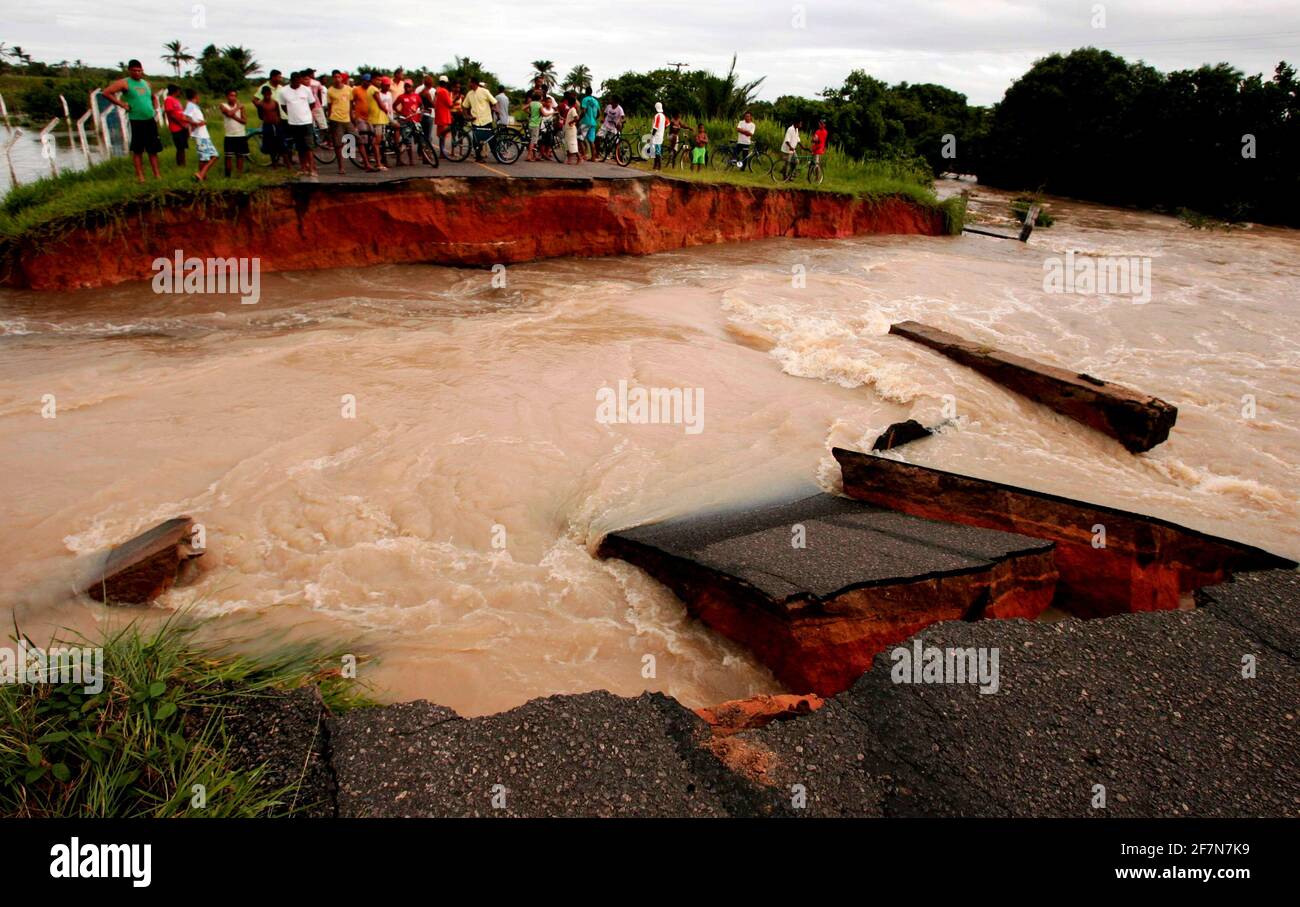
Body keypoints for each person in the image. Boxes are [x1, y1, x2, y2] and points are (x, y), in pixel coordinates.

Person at [102, 61, 162, 181]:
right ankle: (140, 176)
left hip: (149, 119)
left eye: (139, 70)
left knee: (153, 149)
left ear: (142, 70)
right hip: (136, 120)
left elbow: (153, 97)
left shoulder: (146, 84)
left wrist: (155, 109)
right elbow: (106, 93)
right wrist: (122, 104)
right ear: (129, 70)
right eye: (134, 70)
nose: (137, 73)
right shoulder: (125, 83)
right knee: (137, 149)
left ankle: (157, 175)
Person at [279, 71, 318, 177]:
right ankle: (303, 168)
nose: (298, 83)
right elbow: (283, 106)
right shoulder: (283, 91)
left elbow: (312, 103)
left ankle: (312, 169)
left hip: (306, 122)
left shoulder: (306, 90)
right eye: (295, 81)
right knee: (300, 147)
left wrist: (304, 113)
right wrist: (292, 114)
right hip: (293, 123)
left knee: (309, 147)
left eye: (299, 81)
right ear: (291, 80)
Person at [183, 88, 219, 181]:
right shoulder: (190, 106)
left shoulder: (194, 106)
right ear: (195, 96)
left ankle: (201, 175)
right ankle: (201, 174)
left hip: (204, 134)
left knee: (212, 156)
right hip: (200, 135)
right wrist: (196, 124)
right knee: (206, 157)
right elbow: (185, 117)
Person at [326, 71, 356, 174]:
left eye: (339, 77)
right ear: (333, 78)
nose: (337, 79)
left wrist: (352, 117)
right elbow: (329, 107)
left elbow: (351, 104)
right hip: (335, 119)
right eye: (335, 77)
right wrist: (329, 120)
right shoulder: (330, 91)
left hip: (347, 119)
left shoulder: (348, 89)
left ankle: (366, 164)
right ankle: (341, 167)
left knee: (358, 139)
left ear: (341, 78)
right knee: (338, 144)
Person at [462, 77, 496, 162]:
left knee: (491, 139)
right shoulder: (469, 94)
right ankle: (478, 157)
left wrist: (496, 111)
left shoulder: (485, 91)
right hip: (475, 121)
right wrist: (467, 116)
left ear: (474, 83)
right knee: (476, 140)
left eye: (469, 82)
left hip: (486, 120)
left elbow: (494, 102)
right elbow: (464, 106)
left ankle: (498, 156)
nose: (468, 84)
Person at [255, 85, 288, 168]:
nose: (267, 96)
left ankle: (288, 164)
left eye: (268, 94)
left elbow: (279, 113)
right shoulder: (260, 104)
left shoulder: (275, 102)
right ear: (263, 94)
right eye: (265, 94)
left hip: (277, 125)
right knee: (271, 146)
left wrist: (278, 121)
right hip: (267, 126)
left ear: (270, 93)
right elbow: (260, 116)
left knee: (282, 145)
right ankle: (274, 164)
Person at [365, 74, 392, 171]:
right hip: (378, 118)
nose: (379, 82)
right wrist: (386, 110)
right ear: (372, 80)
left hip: (373, 117)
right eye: (377, 80)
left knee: (375, 141)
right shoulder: (374, 90)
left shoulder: (369, 89)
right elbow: (380, 104)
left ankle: (378, 161)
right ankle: (378, 163)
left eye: (380, 80)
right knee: (376, 142)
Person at [219, 89, 248, 177]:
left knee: (240, 156)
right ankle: (228, 176)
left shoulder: (241, 107)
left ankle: (239, 175)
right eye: (231, 95)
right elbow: (228, 113)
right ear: (227, 96)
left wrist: (234, 116)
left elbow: (244, 121)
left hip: (240, 134)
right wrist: (238, 107)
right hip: (229, 135)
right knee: (228, 156)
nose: (233, 98)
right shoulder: (222, 105)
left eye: (235, 96)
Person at [394, 80, 422, 167]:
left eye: (409, 86)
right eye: (406, 86)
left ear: (412, 87)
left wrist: (420, 114)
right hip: (405, 121)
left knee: (420, 139)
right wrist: (399, 113)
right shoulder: (401, 97)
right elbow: (394, 105)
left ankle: (424, 157)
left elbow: (421, 105)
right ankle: (409, 160)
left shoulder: (416, 96)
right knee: (408, 141)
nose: (407, 88)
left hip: (415, 121)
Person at [162, 84, 189, 165]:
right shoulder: (168, 100)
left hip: (182, 127)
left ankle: (183, 163)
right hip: (176, 128)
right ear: (175, 91)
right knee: (180, 147)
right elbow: (171, 115)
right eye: (178, 90)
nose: (179, 92)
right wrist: (181, 124)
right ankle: (180, 164)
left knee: (183, 147)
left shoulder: (176, 100)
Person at [433, 75, 454, 157]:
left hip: (439, 115)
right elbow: (450, 104)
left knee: (441, 134)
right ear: (445, 83)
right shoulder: (444, 91)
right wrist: (454, 99)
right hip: (444, 115)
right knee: (443, 135)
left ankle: (442, 151)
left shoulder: (437, 90)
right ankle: (442, 152)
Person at [579, 89, 600, 160]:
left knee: (579, 138)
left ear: (586, 92)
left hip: (585, 121)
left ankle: (584, 155)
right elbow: (599, 112)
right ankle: (593, 157)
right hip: (593, 122)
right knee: (591, 140)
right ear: (591, 92)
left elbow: (583, 111)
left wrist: (579, 119)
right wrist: (594, 119)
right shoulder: (596, 101)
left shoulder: (585, 99)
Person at [562, 90, 581, 165]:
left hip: (571, 129)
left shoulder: (573, 110)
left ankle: (579, 157)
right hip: (568, 129)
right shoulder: (571, 109)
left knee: (572, 144)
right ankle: (569, 159)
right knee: (567, 144)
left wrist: (571, 122)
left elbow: (577, 118)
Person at [525, 90, 543, 161]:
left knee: (532, 140)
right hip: (536, 125)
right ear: (540, 98)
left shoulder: (531, 103)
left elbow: (523, 108)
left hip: (530, 124)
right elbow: (544, 113)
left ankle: (532, 155)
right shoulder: (540, 105)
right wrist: (551, 112)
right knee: (533, 141)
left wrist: (530, 113)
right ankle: (529, 156)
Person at [650, 101, 667, 170]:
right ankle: (655, 166)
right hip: (661, 135)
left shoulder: (657, 116)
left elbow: (655, 127)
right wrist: (662, 129)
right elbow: (667, 124)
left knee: (657, 152)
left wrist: (652, 135)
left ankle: (659, 167)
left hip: (656, 136)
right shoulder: (663, 116)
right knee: (656, 151)